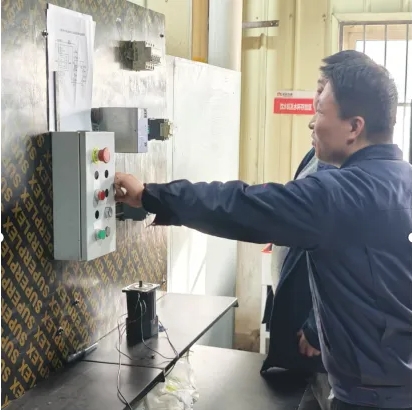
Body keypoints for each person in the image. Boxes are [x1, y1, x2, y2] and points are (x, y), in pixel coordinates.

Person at [115, 54, 412, 409]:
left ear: (354, 127)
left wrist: (149, 195)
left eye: (320, 111)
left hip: (373, 398)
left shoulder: (341, 195)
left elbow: (241, 206)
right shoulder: (402, 180)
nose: (312, 122)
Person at [261, 50, 374, 410]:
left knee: (325, 393)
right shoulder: (318, 154)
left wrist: (314, 328)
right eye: (318, 89)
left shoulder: (349, 175)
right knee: (304, 395)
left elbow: (346, 262)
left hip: (321, 332)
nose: (316, 106)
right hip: (294, 301)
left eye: (325, 93)